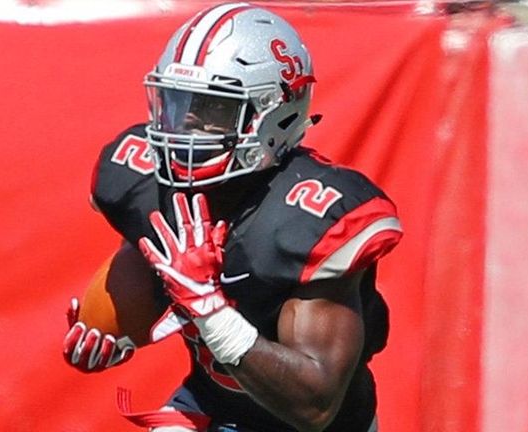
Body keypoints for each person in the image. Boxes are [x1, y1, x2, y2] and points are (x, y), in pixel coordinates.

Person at [63, 3, 403, 431]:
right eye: (176, 102)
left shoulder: (307, 218)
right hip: (210, 405)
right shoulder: (147, 179)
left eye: (210, 109)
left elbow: (313, 406)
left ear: (273, 115)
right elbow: (146, 250)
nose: (183, 125)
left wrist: (211, 311)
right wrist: (121, 332)